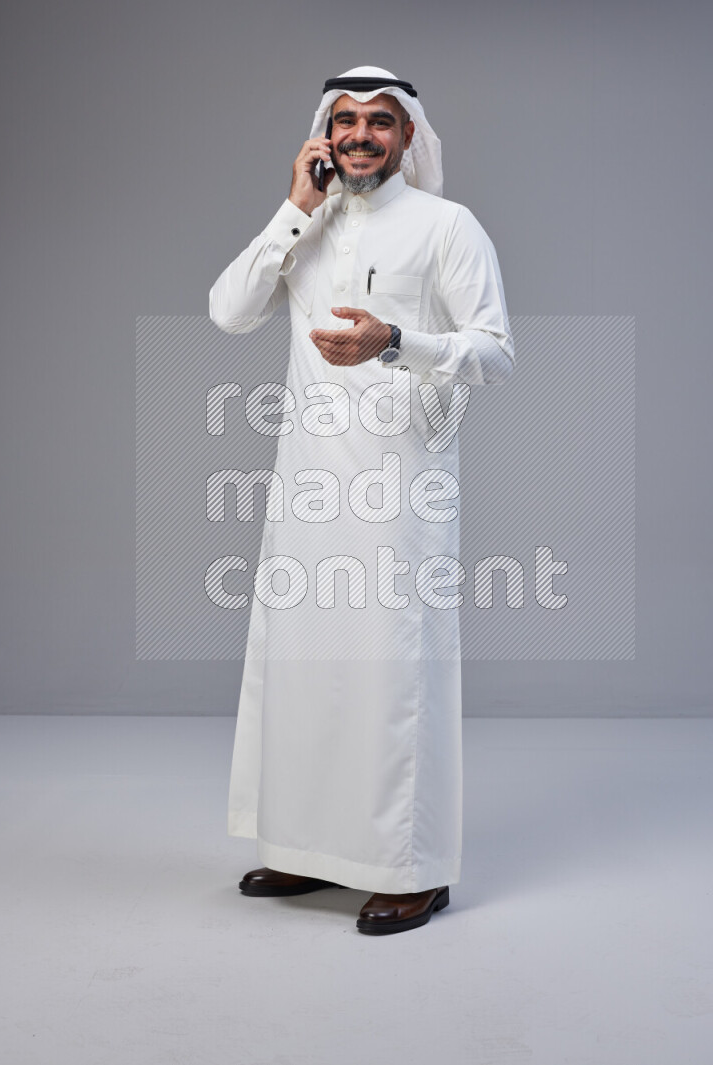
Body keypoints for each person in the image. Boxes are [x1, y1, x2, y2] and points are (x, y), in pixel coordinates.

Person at [209, 66, 514, 935]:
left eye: (380, 121)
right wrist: (292, 208)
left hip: (400, 488)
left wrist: (396, 342)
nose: (360, 136)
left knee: (392, 678)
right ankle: (309, 849)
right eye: (345, 121)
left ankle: (412, 870)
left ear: (409, 136)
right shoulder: (307, 223)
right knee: (306, 670)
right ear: (324, 134)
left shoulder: (448, 226)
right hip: (307, 487)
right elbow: (228, 311)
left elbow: (495, 351)